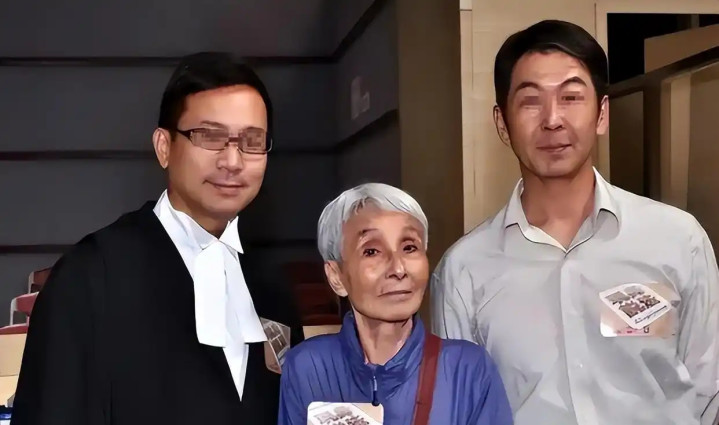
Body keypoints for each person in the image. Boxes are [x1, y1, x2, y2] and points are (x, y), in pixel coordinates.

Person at [431, 19, 719, 425]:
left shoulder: (676, 239)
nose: (552, 119)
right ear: (502, 124)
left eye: (570, 97)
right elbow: (459, 408)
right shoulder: (464, 270)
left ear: (602, 114)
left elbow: (709, 389)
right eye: (531, 101)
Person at [11, 52, 303, 425]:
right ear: (164, 147)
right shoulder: (92, 276)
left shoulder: (271, 287)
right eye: (209, 137)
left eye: (252, 140)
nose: (233, 161)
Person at [278, 183, 513, 425]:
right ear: (336, 276)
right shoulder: (309, 368)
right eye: (371, 251)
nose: (398, 269)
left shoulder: (467, 369)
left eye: (409, 247)